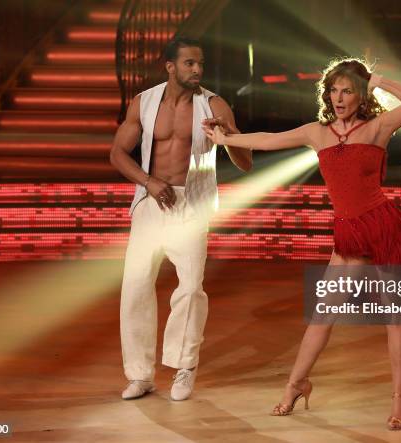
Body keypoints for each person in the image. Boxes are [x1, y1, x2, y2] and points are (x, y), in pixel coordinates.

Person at [203, 57, 401, 430]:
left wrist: (376, 80)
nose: (339, 98)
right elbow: (266, 141)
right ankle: (296, 384)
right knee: (322, 314)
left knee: (396, 318)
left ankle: (399, 397)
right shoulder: (318, 132)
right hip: (348, 234)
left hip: (384, 229)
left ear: (361, 96)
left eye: (348, 91)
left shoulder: (377, 127)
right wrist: (225, 138)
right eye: (334, 90)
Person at [110, 36, 252, 401]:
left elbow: (245, 161)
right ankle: (140, 375)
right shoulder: (143, 102)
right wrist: (149, 181)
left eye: (200, 63)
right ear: (170, 66)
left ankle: (184, 368)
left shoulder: (214, 104)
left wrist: (228, 137)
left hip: (192, 204)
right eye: (189, 63)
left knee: (190, 288)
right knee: (136, 287)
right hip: (150, 202)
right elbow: (117, 154)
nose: (197, 70)